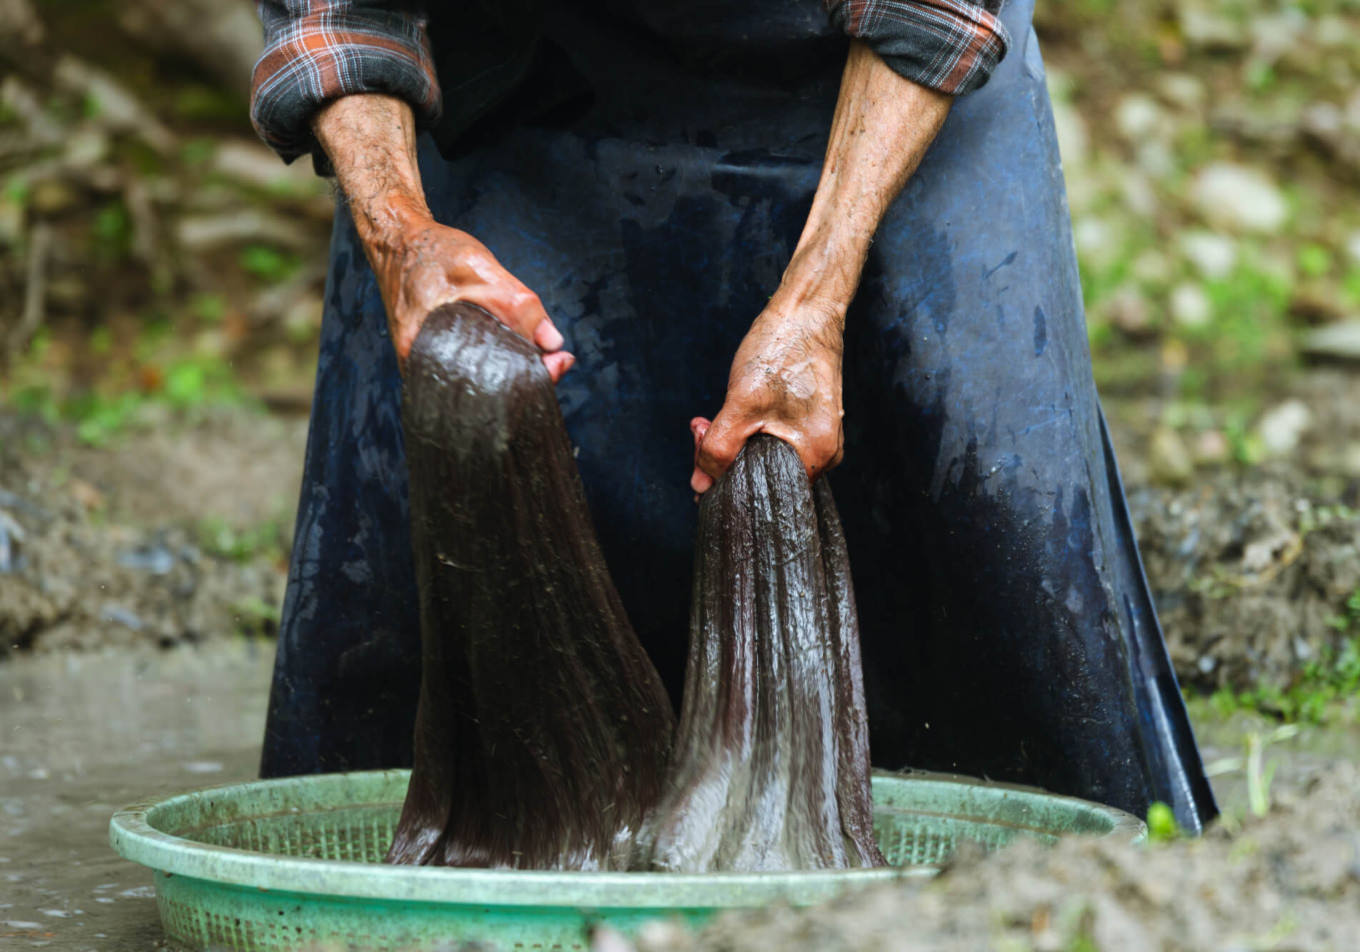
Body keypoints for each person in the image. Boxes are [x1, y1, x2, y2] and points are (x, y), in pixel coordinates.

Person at [250, 0, 1218, 832]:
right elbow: (334, 11)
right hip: (518, 87)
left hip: (886, 80)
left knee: (1000, 556)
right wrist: (400, 233)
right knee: (429, 536)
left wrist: (818, 295)